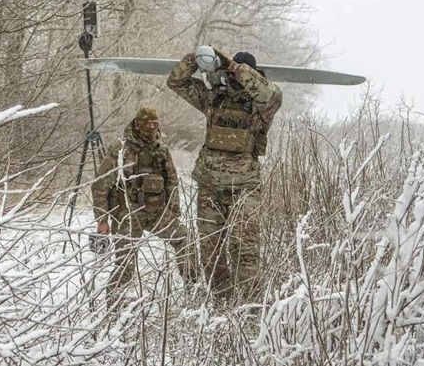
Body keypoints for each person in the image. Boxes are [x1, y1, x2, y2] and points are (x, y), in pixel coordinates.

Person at [166, 46, 283, 302]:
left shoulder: (261, 105)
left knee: (245, 249)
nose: (235, 79)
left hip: (245, 187)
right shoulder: (213, 98)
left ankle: (251, 307)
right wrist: (197, 58)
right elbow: (176, 81)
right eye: (233, 73)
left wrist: (233, 66)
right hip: (210, 186)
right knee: (211, 251)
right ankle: (222, 305)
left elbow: (270, 94)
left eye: (242, 73)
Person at [91, 107, 196, 307]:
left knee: (185, 239)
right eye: (147, 124)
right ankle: (114, 307)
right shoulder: (121, 150)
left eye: (155, 124)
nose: (151, 127)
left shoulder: (161, 150)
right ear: (138, 124)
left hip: (157, 213)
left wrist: (173, 211)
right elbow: (100, 185)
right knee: (125, 265)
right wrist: (102, 220)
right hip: (129, 215)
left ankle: (193, 291)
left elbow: (172, 182)